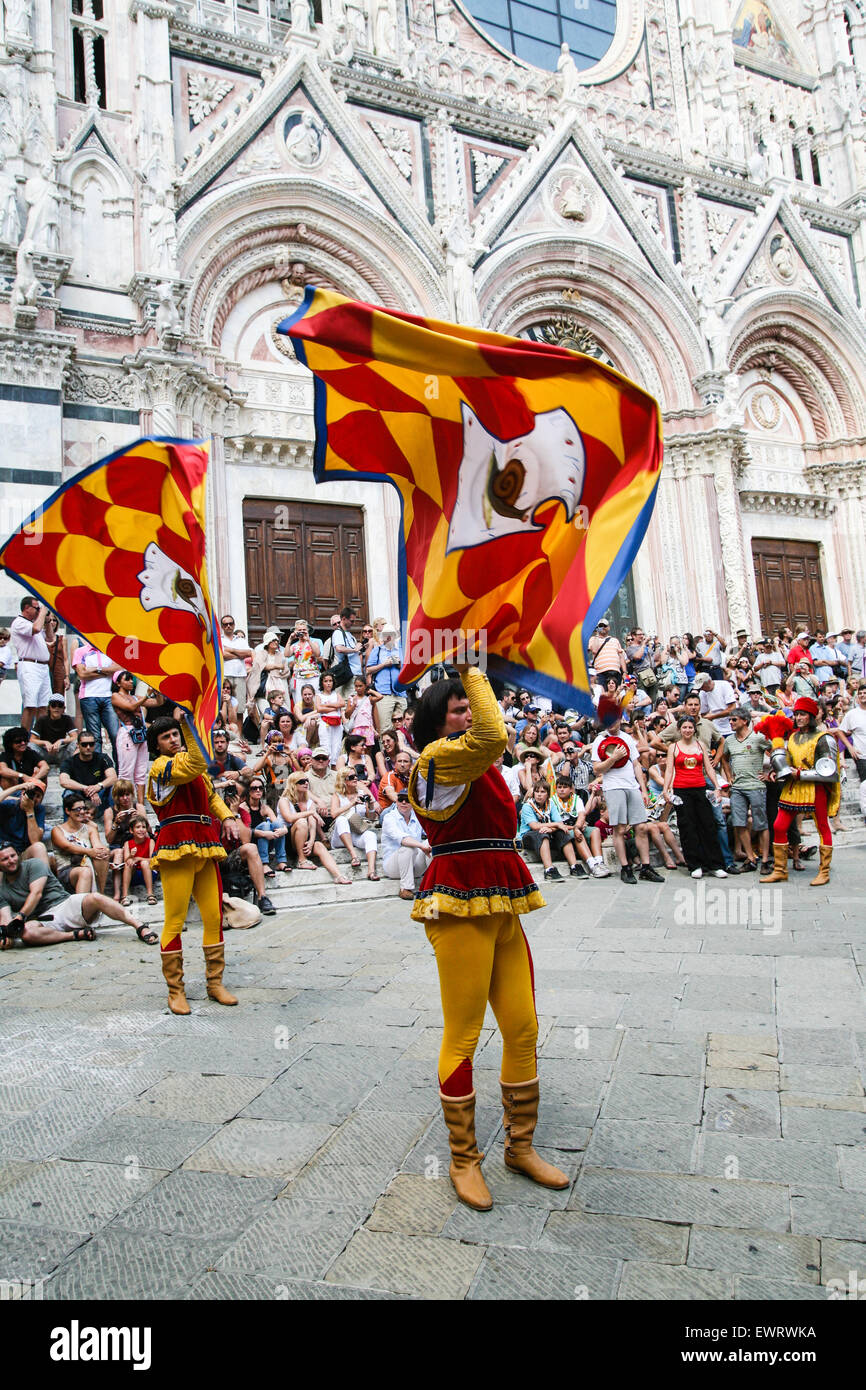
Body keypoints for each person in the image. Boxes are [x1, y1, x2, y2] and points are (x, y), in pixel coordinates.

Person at [407, 664, 567, 1212]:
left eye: (469, 705)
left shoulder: (483, 763)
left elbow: (491, 737)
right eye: (457, 708)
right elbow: (495, 733)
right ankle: (463, 1157)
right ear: (434, 722)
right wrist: (473, 665)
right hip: (458, 903)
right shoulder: (437, 759)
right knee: (464, 1034)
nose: (470, 712)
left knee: (523, 1026)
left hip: (502, 898)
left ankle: (520, 1147)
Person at [146, 714, 241, 1013]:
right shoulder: (160, 767)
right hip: (176, 844)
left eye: (176, 734)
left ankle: (215, 983)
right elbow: (197, 763)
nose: (173, 740)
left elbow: (212, 797)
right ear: (157, 745)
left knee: (214, 916)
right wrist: (189, 725)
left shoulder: (192, 768)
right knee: (175, 919)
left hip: (205, 842)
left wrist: (226, 816)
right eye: (167, 737)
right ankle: (176, 991)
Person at [0, 843, 147, 949]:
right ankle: (74, 935)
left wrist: (20, 917)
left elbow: (36, 893)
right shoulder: (2, 889)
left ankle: (138, 925)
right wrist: (6, 934)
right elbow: (5, 915)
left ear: (18, 855)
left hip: (64, 905)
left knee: (96, 898)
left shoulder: (33, 865)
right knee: (27, 934)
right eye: (5, 859)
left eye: (13, 856)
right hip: (43, 920)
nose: (11, 860)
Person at [761, 696, 841, 886]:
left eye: (802, 714)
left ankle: (824, 871)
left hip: (815, 787)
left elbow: (830, 771)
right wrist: (776, 770)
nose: (798, 717)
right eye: (796, 714)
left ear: (811, 715)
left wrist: (800, 774)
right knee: (780, 825)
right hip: (793, 787)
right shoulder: (794, 736)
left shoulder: (824, 738)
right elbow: (788, 760)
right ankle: (780, 870)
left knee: (822, 827)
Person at [590, 703, 665, 885]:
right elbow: (596, 769)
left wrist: (644, 789)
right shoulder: (600, 741)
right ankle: (625, 867)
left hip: (632, 786)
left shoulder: (627, 738)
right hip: (613, 787)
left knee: (641, 827)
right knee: (619, 828)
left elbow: (636, 764)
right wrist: (613, 758)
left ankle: (646, 867)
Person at [661, 715, 727, 878]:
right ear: (679, 729)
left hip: (700, 788)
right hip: (681, 790)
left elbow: (709, 768)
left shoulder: (701, 745)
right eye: (684, 727)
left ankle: (715, 864)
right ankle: (694, 864)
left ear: (694, 729)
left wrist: (717, 786)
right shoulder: (673, 748)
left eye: (690, 727)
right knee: (687, 827)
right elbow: (669, 770)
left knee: (708, 825)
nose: (687, 730)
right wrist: (665, 789)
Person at [721, 709, 772, 872]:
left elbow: (776, 751)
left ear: (744, 720)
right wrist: (729, 776)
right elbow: (724, 758)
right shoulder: (729, 740)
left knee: (761, 823)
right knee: (739, 823)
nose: (731, 723)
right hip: (737, 787)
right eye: (730, 720)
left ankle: (764, 860)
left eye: (734, 720)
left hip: (756, 785)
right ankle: (750, 858)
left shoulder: (758, 738)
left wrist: (769, 773)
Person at [278, 771, 352, 881]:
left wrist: (312, 840)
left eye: (307, 780)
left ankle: (338, 876)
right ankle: (301, 860)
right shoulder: (284, 800)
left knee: (319, 846)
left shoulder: (309, 802)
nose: (306, 783)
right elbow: (289, 818)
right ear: (293, 784)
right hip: (287, 839)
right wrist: (311, 813)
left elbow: (312, 823)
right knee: (301, 822)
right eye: (301, 782)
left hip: (305, 838)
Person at [217, 784, 276, 914]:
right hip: (213, 855)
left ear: (243, 798)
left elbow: (245, 840)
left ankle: (262, 897)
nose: (230, 795)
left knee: (251, 848)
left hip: (230, 856)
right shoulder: (215, 809)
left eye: (234, 793)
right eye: (228, 792)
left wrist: (234, 814)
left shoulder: (243, 813)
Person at [517, 780, 585, 880]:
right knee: (541, 833)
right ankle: (549, 869)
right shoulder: (528, 806)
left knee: (563, 832)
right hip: (529, 836)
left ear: (548, 794)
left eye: (543, 792)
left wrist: (551, 828)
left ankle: (574, 866)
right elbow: (535, 826)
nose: (539, 795)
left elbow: (560, 824)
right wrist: (556, 825)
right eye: (537, 792)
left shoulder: (551, 804)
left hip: (548, 834)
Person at [10, 595, 51, 733]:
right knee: (30, 706)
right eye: (36, 608)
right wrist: (44, 610)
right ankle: (23, 739)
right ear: (27, 608)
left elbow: (50, 638)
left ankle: (39, 739)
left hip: (43, 667)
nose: (38, 611)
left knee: (43, 706)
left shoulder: (36, 623)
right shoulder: (19, 622)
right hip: (29, 666)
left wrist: (48, 621)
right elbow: (36, 629)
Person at [73, 642, 120, 763]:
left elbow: (118, 669)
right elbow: (82, 674)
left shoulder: (110, 649)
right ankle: (99, 770)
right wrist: (106, 672)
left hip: (109, 696)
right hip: (89, 696)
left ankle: (120, 771)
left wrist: (95, 669)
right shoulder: (81, 651)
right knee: (95, 737)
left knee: (116, 735)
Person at [58, 731, 117, 825]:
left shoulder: (102, 758)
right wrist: (87, 789)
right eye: (84, 744)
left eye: (91, 744)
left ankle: (115, 823)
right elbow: (63, 781)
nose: (88, 747)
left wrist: (98, 786)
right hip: (79, 799)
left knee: (115, 789)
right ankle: (69, 827)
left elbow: (113, 777)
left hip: (100, 799)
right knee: (68, 794)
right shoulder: (70, 762)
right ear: (78, 745)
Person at [330, 767, 379, 878]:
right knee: (341, 819)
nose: (355, 778)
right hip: (340, 837)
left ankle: (371, 871)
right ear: (344, 780)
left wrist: (371, 806)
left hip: (357, 832)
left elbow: (371, 817)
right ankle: (354, 856)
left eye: (356, 776)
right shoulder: (337, 796)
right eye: (351, 777)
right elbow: (334, 814)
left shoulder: (361, 793)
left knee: (371, 835)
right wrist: (352, 804)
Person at [381, 790, 430, 899]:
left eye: (407, 800)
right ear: (396, 801)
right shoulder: (389, 818)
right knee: (409, 847)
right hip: (393, 867)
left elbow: (429, 832)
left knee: (431, 843)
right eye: (400, 799)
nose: (403, 802)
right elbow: (403, 839)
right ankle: (406, 888)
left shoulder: (418, 817)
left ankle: (435, 883)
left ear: (413, 802)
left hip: (414, 866)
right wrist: (421, 846)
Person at [111, 671, 150, 802]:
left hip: (140, 733)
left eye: (132, 679)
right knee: (126, 772)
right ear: (118, 683)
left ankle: (140, 805)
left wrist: (157, 691)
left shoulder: (135, 697)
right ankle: (124, 804)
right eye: (127, 679)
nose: (131, 682)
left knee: (141, 772)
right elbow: (130, 707)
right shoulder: (115, 696)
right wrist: (146, 696)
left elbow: (157, 703)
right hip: (127, 733)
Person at [365, 623, 405, 730]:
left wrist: (400, 664)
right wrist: (384, 665)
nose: (389, 637)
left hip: (400, 693)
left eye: (391, 635)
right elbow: (368, 669)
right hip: (384, 694)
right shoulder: (377, 650)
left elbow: (407, 669)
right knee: (385, 728)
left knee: (403, 727)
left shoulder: (401, 650)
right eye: (387, 635)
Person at [246, 776, 288, 873]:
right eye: (254, 788)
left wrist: (284, 829)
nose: (258, 790)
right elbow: (244, 832)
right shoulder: (244, 807)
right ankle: (264, 863)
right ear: (248, 791)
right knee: (265, 825)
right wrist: (264, 833)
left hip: (265, 841)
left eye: (260, 788)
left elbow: (277, 823)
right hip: (250, 843)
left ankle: (281, 861)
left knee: (276, 824)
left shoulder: (265, 808)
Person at [838, 682, 866, 824]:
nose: (862, 695)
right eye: (860, 693)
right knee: (865, 785)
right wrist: (850, 747)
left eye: (865, 693)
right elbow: (840, 731)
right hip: (862, 756)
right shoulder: (852, 714)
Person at [121, 814, 158, 906]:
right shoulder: (127, 843)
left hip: (149, 872)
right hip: (133, 874)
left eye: (143, 827)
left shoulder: (150, 841)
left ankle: (150, 894)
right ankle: (125, 895)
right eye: (138, 827)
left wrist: (138, 858)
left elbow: (152, 859)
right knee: (128, 864)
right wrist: (131, 856)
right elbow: (126, 859)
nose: (141, 830)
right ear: (131, 830)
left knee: (144, 863)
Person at [29, 695, 77, 765]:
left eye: (60, 706)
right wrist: (45, 742)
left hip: (60, 752)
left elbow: (75, 737)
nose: (56, 708)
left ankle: (75, 766)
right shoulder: (42, 720)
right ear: (49, 708)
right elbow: (32, 740)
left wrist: (61, 741)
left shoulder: (67, 719)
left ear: (64, 708)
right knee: (31, 746)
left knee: (77, 743)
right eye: (53, 705)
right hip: (45, 752)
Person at [315, 671, 345, 765]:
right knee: (326, 746)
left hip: (337, 723)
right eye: (326, 681)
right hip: (325, 723)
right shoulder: (319, 696)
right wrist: (335, 707)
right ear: (322, 683)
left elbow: (342, 703)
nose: (328, 683)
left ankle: (334, 766)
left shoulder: (336, 694)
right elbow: (319, 709)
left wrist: (328, 705)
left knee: (337, 747)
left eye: (330, 681)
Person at [344, 675, 379, 751]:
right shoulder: (352, 698)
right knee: (356, 750)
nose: (358, 688)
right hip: (356, 728)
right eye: (356, 686)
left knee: (368, 750)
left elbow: (380, 696)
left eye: (360, 686)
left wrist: (370, 691)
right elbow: (346, 715)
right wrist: (353, 705)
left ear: (365, 686)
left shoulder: (369, 698)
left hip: (367, 728)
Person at [588, 618, 627, 686]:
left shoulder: (615, 640)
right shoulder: (593, 639)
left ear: (608, 627)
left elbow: (621, 657)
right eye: (600, 626)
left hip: (615, 672)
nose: (603, 628)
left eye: (605, 626)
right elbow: (594, 650)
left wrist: (624, 672)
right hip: (601, 673)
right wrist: (597, 634)